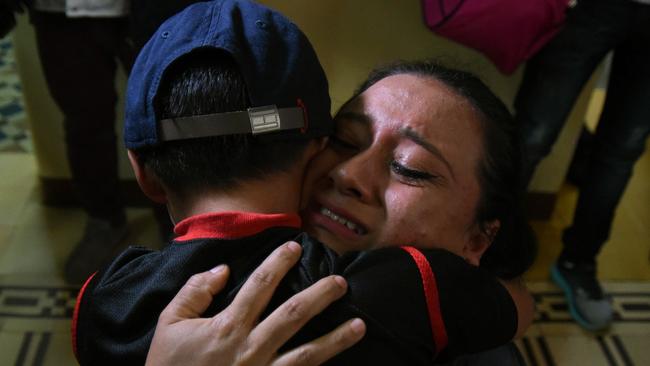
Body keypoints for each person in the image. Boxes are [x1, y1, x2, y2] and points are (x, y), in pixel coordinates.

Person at [73, 1, 535, 364]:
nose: (348, 173)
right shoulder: (394, 292)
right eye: (343, 139)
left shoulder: (108, 299)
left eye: (411, 167)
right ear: (311, 147)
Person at [514, 0, 650, 331]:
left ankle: (578, 263)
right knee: (531, 136)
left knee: (623, 151)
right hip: (589, 7)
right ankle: (489, 249)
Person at [27, 0, 173, 284]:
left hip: (153, 11)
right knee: (85, 124)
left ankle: (176, 223)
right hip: (59, 13)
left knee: (165, 117)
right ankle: (104, 220)